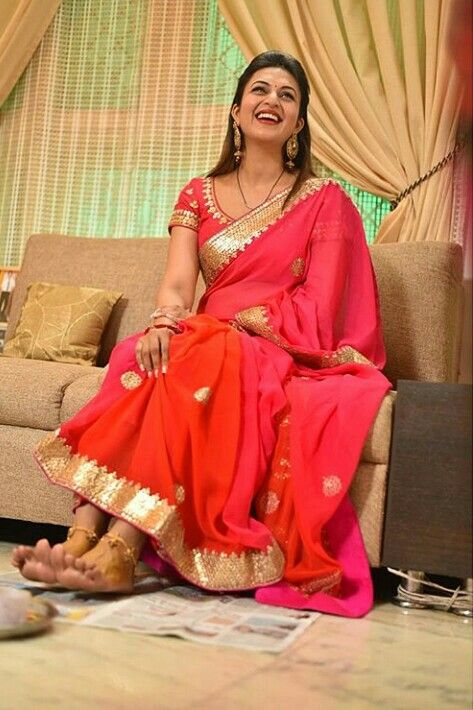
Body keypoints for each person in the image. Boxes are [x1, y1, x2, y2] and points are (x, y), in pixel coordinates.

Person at [11, 51, 391, 618]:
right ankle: (82, 537)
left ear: (300, 123)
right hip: (204, 335)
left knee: (197, 352)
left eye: (288, 96)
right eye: (260, 90)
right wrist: (164, 321)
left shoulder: (323, 202)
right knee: (139, 354)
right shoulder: (198, 192)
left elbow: (320, 306)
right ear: (237, 111)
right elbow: (178, 283)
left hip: (270, 347)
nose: (273, 101)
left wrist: (238, 323)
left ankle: (121, 546)